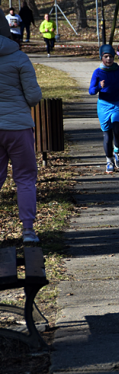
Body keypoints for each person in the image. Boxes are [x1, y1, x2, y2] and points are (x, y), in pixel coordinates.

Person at [0, 16, 43, 244]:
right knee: (25, 178)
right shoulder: (19, 57)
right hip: (18, 127)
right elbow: (34, 96)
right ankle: (28, 231)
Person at [89, 44, 119, 173]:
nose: (108, 59)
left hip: (117, 104)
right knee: (107, 134)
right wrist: (99, 87)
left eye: (111, 57)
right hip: (103, 105)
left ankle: (117, 151)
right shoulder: (98, 72)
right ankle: (109, 160)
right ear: (101, 57)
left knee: (117, 129)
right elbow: (91, 91)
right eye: (106, 57)